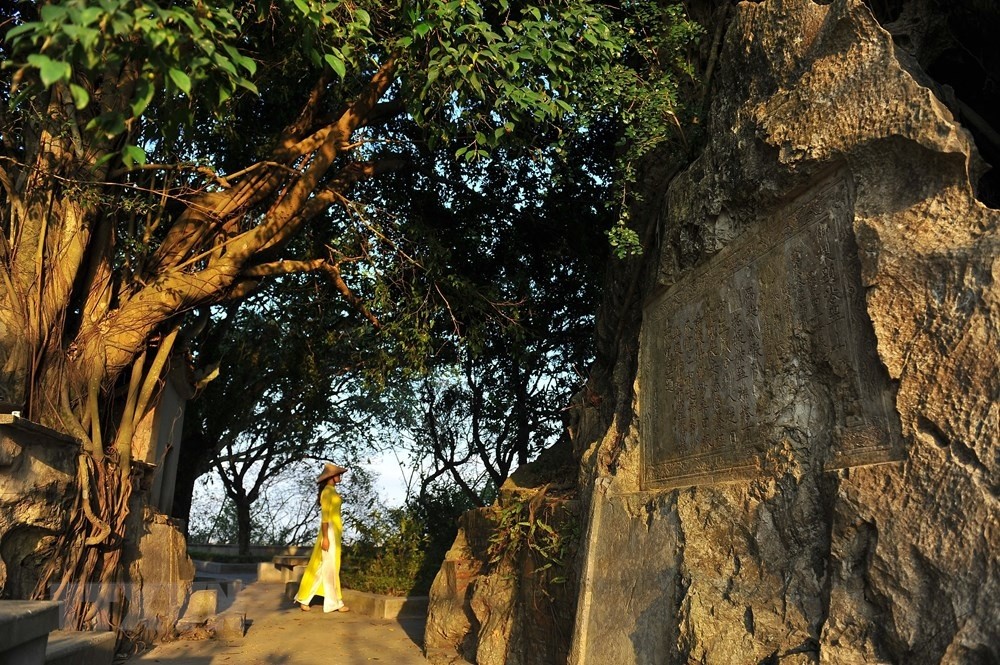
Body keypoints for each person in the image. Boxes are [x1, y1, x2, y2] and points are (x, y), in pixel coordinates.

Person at [294, 462, 350, 613]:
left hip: (335, 532)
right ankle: (334, 602)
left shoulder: (332, 491)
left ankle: (306, 598)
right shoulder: (327, 492)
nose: (340, 477)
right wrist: (326, 538)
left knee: (329, 566)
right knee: (325, 565)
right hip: (329, 531)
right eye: (338, 474)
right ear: (331, 476)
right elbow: (325, 518)